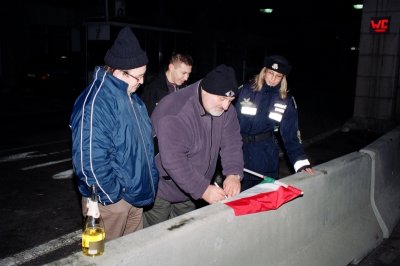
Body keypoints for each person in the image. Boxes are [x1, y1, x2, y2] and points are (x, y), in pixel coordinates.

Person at [69, 26, 159, 241]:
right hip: (112, 202)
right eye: (138, 77)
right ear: (118, 72)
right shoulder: (96, 102)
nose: (142, 82)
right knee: (105, 258)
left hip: (134, 197)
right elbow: (89, 161)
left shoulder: (130, 96)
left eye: (144, 76)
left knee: (131, 256)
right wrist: (113, 197)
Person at [144, 64, 244, 226]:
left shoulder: (226, 110)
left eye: (230, 100)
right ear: (206, 90)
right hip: (161, 190)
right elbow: (173, 160)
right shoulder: (175, 111)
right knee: (154, 241)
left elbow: (231, 142)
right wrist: (203, 189)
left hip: (190, 191)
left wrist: (233, 173)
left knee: (184, 236)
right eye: (222, 99)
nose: (226, 106)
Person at [235, 55, 314, 191]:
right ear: (264, 71)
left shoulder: (285, 100)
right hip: (239, 153)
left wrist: (301, 164)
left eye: (278, 76)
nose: (273, 78)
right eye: (271, 73)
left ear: (283, 78)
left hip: (266, 157)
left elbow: (291, 136)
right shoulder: (244, 90)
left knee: (264, 202)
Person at [140, 52, 193, 116]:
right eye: (183, 73)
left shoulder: (184, 87)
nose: (186, 78)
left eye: (188, 74)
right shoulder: (152, 88)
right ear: (171, 68)